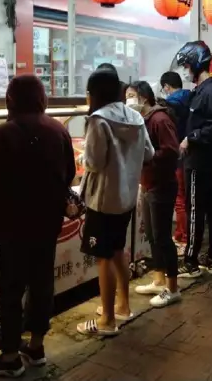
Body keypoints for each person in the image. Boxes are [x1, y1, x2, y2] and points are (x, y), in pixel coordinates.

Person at [0, 75, 76, 378]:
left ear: (10, 100)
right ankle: (36, 347)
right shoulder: (58, 130)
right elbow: (69, 174)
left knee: (8, 290)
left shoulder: (1, 134)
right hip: (47, 225)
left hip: (12, 228)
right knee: (41, 284)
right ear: (42, 98)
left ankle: (9, 358)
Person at [76, 68, 153, 336]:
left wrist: (81, 158)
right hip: (127, 197)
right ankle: (123, 305)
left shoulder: (99, 120)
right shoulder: (135, 116)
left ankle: (107, 320)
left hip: (103, 201)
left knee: (103, 258)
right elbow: (149, 153)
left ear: (95, 93)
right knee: (118, 250)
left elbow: (94, 163)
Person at [173, 41, 212, 279]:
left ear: (196, 64)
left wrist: (191, 138)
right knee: (211, 208)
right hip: (204, 161)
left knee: (195, 210)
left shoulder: (210, 93)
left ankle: (191, 262)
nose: (185, 71)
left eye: (186, 66)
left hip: (199, 161)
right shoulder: (200, 91)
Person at [126, 81, 182, 307]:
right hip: (148, 184)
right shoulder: (142, 119)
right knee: (152, 234)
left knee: (163, 237)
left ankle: (173, 288)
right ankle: (159, 279)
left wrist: (146, 157)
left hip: (162, 185)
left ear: (144, 97)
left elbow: (171, 151)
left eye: (131, 95)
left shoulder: (159, 119)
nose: (128, 100)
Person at [160, 70, 191, 247]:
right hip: (190, 152)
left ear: (166, 87)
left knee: (179, 198)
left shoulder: (170, 104)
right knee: (187, 197)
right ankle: (183, 234)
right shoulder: (190, 97)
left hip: (177, 153)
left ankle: (183, 236)